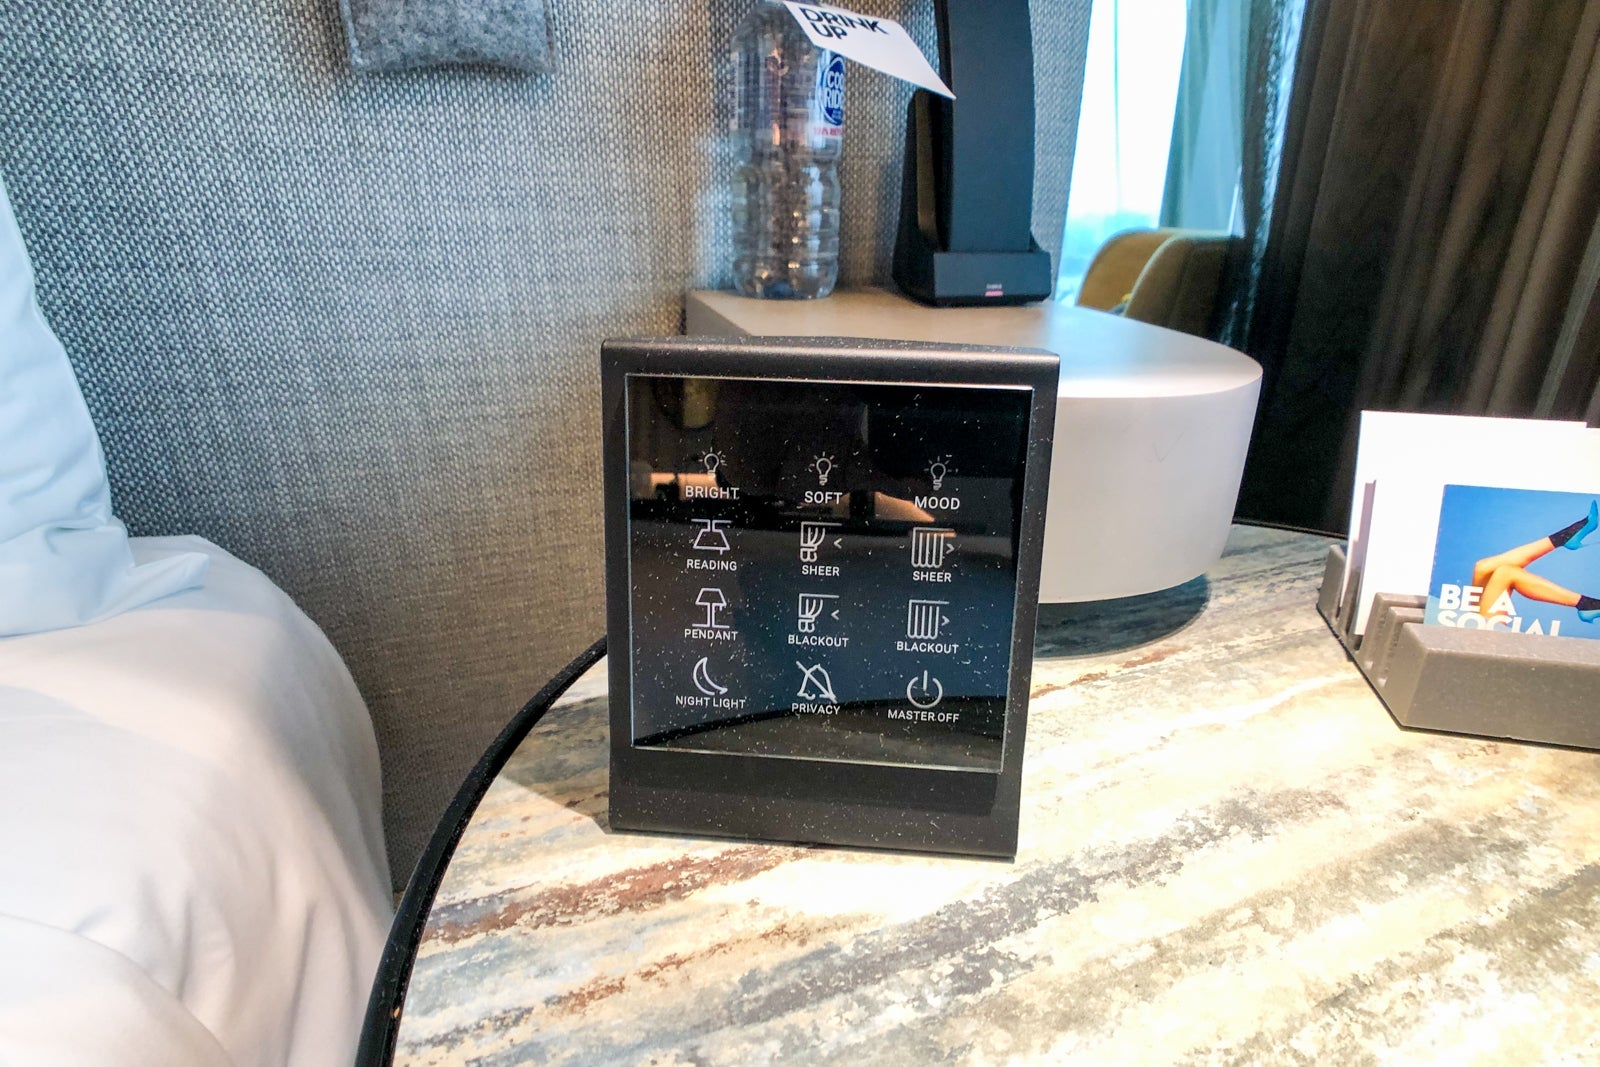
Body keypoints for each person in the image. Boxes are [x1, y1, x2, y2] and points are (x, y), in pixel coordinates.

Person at [1472, 500, 1600, 623]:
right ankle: (1588, 605)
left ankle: (1564, 537)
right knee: (1506, 574)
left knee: (1482, 568)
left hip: (1470, 622)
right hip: (1478, 636)